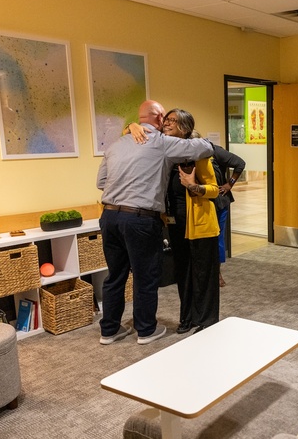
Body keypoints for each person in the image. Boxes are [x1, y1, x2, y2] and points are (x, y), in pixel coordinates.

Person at [96, 100, 213, 346]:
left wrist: (130, 128)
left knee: (115, 275)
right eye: (166, 120)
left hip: (109, 216)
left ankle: (109, 330)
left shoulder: (116, 144)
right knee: (145, 275)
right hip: (140, 218)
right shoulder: (160, 142)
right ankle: (146, 329)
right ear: (159, 119)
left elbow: (101, 182)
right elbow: (203, 147)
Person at [130, 110, 221, 334]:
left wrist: (193, 185)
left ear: (185, 128)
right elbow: (133, 133)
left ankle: (207, 321)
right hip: (175, 225)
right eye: (166, 120)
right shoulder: (165, 153)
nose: (167, 124)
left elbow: (215, 190)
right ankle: (187, 318)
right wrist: (132, 125)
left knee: (203, 275)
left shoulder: (198, 154)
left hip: (201, 225)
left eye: (173, 121)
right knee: (183, 274)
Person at [211, 145, 246, 287]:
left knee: (217, 236)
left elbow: (240, 163)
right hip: (199, 203)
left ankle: (217, 272)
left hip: (219, 201)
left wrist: (229, 184)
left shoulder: (214, 150)